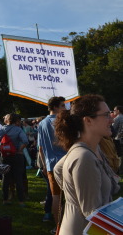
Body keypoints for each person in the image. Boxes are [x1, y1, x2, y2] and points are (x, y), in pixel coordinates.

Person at [54, 94, 120, 235]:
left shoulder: (93, 149)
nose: (112, 118)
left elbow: (58, 169)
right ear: (88, 120)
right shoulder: (84, 157)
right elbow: (94, 215)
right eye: (107, 114)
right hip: (82, 230)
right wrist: (74, 196)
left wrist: (73, 192)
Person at [37, 96, 66, 226]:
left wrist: (43, 164)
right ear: (55, 107)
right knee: (72, 196)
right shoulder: (63, 121)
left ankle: (58, 226)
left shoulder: (41, 123)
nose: (65, 108)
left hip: (50, 164)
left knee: (56, 196)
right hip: (66, 161)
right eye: (62, 106)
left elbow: (40, 148)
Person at [0, 113, 28, 206]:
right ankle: (21, 201)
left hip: (5, 157)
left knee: (5, 178)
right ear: (16, 120)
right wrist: (20, 150)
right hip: (17, 156)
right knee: (18, 178)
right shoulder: (18, 129)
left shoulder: (1, 129)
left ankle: (5, 199)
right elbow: (25, 141)